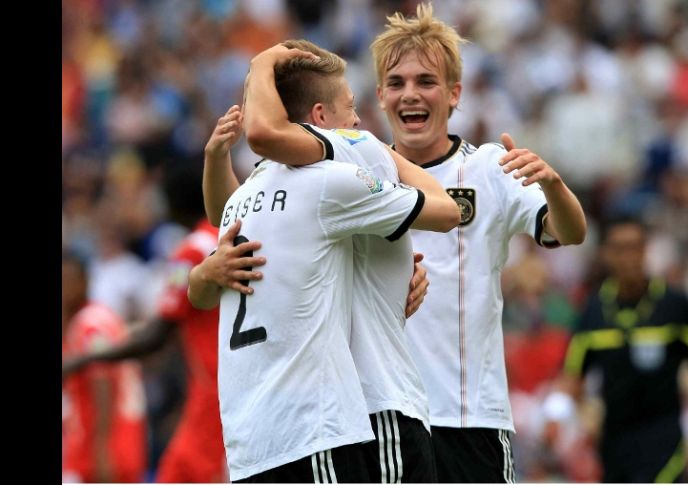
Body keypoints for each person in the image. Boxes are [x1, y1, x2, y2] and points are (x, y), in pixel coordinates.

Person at [188, 45, 459, 482]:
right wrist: (379, 151)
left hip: (249, 440)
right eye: (351, 108)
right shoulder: (341, 169)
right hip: (343, 415)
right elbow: (448, 212)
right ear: (320, 117)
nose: (359, 122)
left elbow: (215, 244)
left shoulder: (249, 195)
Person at [369, 3, 587, 482]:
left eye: (426, 81)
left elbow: (570, 232)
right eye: (397, 83)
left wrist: (553, 184)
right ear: (381, 95)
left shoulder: (488, 168)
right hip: (384, 421)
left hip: (470, 420)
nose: (411, 93)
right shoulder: (359, 178)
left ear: (454, 93)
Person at [61, 129, 262, 481]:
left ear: (172, 201)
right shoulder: (230, 237)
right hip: (244, 385)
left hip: (217, 393)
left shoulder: (193, 250)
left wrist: (84, 359)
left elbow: (158, 332)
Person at [556, 215, 688, 482]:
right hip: (614, 443)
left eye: (635, 247)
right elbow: (572, 375)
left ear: (646, 250)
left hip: (664, 439)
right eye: (619, 249)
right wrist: (559, 414)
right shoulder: (593, 311)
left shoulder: (675, 306)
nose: (629, 257)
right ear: (606, 254)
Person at [62, 250, 147, 483]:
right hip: (112, 444)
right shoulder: (90, 318)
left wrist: (102, 451)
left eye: (69, 279)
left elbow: (103, 383)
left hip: (105, 450)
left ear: (84, 282)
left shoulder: (90, 324)